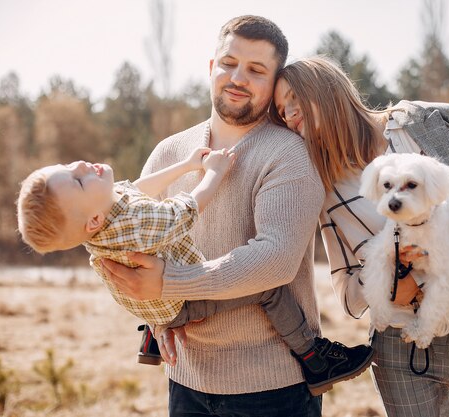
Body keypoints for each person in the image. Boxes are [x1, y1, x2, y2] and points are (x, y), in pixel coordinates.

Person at [99, 16, 374, 417]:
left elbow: (275, 259)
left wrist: (168, 283)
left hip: (274, 388)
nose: (238, 77)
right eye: (229, 63)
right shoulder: (169, 153)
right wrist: (155, 312)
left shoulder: (289, 153)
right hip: (186, 380)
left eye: (256, 70)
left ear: (275, 80)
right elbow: (130, 242)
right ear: (212, 67)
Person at [269, 56, 449, 417]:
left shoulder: (427, 123)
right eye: (283, 111)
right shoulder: (327, 187)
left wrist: (437, 259)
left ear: (327, 89)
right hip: (398, 346)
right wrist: (393, 287)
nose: (290, 116)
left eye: (295, 100)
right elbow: (346, 292)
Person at [16, 145, 373, 398]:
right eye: (77, 181)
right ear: (93, 220)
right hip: (182, 299)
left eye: (68, 168)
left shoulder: (106, 213)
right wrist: (212, 174)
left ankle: (153, 331)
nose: (80, 165)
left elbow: (136, 190)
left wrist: (186, 165)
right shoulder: (135, 226)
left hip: (154, 295)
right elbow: (185, 210)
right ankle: (315, 360)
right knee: (268, 287)